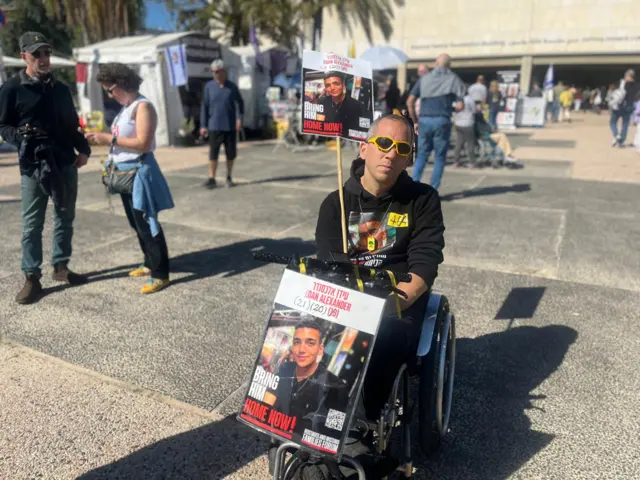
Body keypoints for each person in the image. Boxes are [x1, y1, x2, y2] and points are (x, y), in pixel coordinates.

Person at [315, 114, 445, 428]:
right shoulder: (336, 204)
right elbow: (329, 264)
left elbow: (425, 261)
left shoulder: (423, 200)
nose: (391, 153)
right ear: (364, 148)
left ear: (408, 158)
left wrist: (395, 302)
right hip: (348, 297)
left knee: (385, 337)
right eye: (384, 143)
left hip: (396, 299)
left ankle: (365, 424)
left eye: (401, 147)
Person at [0, 32, 91, 304]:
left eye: (46, 53)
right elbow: (3, 125)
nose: (43, 58)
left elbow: (72, 124)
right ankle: (31, 277)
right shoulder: (12, 88)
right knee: (32, 224)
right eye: (36, 53)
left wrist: (83, 149)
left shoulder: (61, 90)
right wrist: (20, 137)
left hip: (64, 161)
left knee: (65, 216)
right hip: (34, 165)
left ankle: (61, 267)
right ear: (23, 56)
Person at [85, 63, 174, 294]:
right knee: (136, 222)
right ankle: (148, 262)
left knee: (146, 222)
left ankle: (161, 273)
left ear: (122, 84)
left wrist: (108, 139)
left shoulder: (142, 107)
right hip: (125, 174)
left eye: (110, 89)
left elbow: (143, 143)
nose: (109, 94)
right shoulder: (127, 107)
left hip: (138, 173)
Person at [271, 319, 348, 436]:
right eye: (297, 342)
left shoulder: (336, 387)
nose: (302, 350)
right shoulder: (284, 370)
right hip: (277, 438)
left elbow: (334, 432)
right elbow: (266, 404)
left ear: (320, 350)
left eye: (310, 343)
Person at [406, 53, 466, 190]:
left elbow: (410, 101)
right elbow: (461, 106)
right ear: (449, 65)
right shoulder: (453, 79)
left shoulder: (424, 79)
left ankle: (413, 187)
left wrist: (415, 120)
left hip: (425, 120)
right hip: (442, 120)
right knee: (439, 157)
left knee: (422, 155)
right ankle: (433, 189)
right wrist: (451, 109)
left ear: (435, 63)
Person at [199, 59, 244, 189]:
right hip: (214, 125)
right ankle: (212, 178)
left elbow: (240, 104)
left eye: (217, 71)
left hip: (230, 126)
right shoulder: (209, 87)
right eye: (213, 72)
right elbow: (205, 106)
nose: (215, 74)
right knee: (213, 153)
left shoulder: (232, 87)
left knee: (230, 153)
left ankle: (229, 177)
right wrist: (203, 125)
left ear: (224, 72)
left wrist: (239, 118)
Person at [317, 71, 366, 136]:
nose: (332, 88)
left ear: (343, 85)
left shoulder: (356, 105)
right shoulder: (322, 101)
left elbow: (359, 130)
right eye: (328, 85)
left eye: (336, 83)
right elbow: (319, 124)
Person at [609, 69, 639, 147]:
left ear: (628, 76)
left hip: (620, 106)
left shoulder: (623, 84)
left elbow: (617, 94)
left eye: (626, 76)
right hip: (630, 106)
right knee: (625, 124)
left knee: (612, 122)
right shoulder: (637, 85)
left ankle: (616, 136)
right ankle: (621, 141)